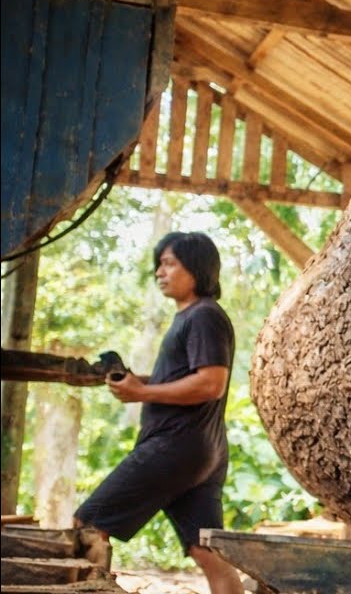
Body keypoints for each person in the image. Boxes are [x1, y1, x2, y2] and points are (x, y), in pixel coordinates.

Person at [75, 232, 243, 594]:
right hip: (201, 451)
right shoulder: (193, 317)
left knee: (87, 525)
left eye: (169, 264)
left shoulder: (203, 316)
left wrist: (142, 392)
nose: (159, 272)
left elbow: (211, 383)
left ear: (196, 268)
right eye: (159, 265)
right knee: (208, 552)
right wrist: (140, 382)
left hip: (174, 446)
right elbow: (189, 378)